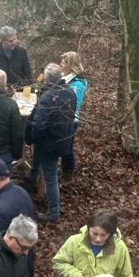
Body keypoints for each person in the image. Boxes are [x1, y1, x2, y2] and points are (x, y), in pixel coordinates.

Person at [51, 208, 134, 277]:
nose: (98, 239)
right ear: (88, 228)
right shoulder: (74, 241)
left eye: (103, 235)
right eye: (94, 233)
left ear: (111, 233)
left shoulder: (120, 248)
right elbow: (58, 262)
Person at [26, 62, 77, 224]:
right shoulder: (69, 93)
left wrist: (31, 138)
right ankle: (33, 177)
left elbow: (39, 125)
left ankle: (53, 211)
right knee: (45, 168)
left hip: (50, 144)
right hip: (63, 140)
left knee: (51, 177)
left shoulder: (48, 98)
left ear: (47, 79)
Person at [59, 51, 88, 180]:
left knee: (67, 147)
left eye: (63, 62)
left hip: (70, 119)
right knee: (64, 145)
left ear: (70, 65)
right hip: (61, 118)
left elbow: (73, 103)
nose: (61, 65)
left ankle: (68, 172)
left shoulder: (78, 83)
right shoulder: (64, 78)